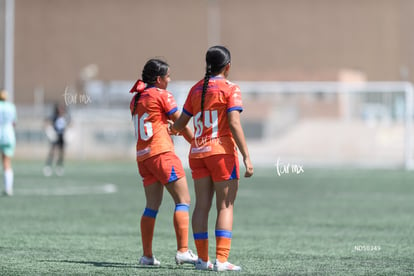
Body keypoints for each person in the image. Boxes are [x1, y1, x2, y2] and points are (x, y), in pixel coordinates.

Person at [172, 45, 254, 271]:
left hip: (197, 154)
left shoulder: (196, 89)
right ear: (227, 66)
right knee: (225, 206)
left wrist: (171, 128)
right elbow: (234, 124)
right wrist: (247, 156)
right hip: (221, 153)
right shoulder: (231, 88)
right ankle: (222, 260)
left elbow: (180, 125)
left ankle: (202, 260)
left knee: (201, 206)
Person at [130, 58, 197, 266]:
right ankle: (183, 251)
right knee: (183, 200)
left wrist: (170, 127)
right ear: (158, 79)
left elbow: (155, 120)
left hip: (144, 156)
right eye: (167, 76)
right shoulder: (162, 95)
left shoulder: (137, 97)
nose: (169, 79)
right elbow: (181, 121)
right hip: (162, 154)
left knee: (151, 206)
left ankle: (147, 256)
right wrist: (194, 142)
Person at [43, 103, 70, 177]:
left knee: (61, 152)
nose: (61, 110)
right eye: (60, 109)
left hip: (62, 137)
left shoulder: (65, 117)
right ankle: (48, 166)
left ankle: (59, 166)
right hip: (55, 136)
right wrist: (49, 130)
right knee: (52, 151)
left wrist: (69, 133)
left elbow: (70, 125)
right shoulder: (55, 117)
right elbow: (47, 122)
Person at [0, 90, 17, 196]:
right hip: (8, 135)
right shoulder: (11, 107)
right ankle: (8, 188)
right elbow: (14, 123)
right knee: (7, 163)